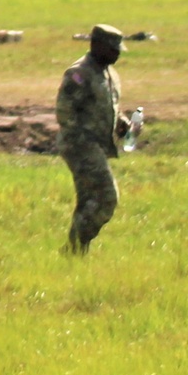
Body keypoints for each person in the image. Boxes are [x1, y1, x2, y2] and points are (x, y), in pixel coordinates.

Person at [55, 23, 132, 253]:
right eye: (112, 49)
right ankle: (76, 245)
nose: (117, 54)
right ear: (96, 46)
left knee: (89, 201)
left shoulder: (109, 74)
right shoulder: (79, 73)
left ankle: (76, 250)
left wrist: (121, 121)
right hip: (80, 146)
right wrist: (82, 141)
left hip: (97, 146)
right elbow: (64, 111)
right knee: (108, 198)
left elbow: (107, 106)